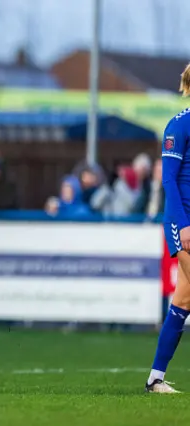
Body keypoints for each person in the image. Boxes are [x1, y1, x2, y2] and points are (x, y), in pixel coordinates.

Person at [146, 63, 190, 393]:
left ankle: (155, 378)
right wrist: (183, 224)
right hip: (183, 221)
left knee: (183, 301)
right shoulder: (179, 125)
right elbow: (168, 180)